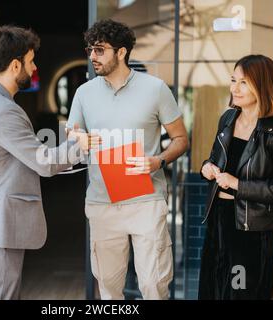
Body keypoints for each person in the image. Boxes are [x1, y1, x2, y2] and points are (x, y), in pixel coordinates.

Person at [0, 26, 97, 300]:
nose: (34, 68)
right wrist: (78, 145)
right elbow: (44, 163)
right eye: (31, 61)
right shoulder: (4, 111)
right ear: (15, 65)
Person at [67, 19, 188, 300]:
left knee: (153, 286)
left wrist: (157, 161)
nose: (92, 57)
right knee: (108, 288)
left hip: (146, 200)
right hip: (101, 202)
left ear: (121, 52)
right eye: (90, 50)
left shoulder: (156, 88)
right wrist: (77, 138)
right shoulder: (83, 93)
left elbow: (181, 139)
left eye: (99, 50)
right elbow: (72, 135)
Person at [198, 54, 273, 300]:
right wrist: (207, 168)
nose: (234, 88)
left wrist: (238, 185)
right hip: (218, 221)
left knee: (239, 293)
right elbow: (216, 160)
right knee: (211, 291)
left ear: (262, 85)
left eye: (243, 82)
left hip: (250, 231)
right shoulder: (227, 120)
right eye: (233, 80)